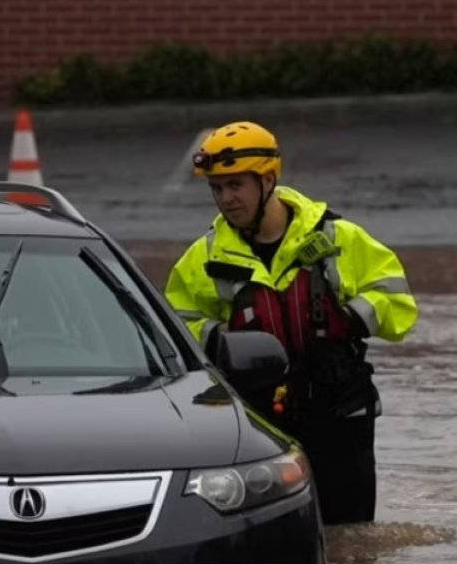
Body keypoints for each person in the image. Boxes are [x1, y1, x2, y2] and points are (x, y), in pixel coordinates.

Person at [165, 121, 418, 525]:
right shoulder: (202, 258)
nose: (225, 199)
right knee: (270, 540)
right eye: (217, 188)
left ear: (267, 180)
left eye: (235, 185)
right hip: (259, 422)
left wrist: (351, 317)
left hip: (340, 412)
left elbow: (399, 304)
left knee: (350, 544)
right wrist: (219, 338)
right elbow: (175, 330)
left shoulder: (339, 238)